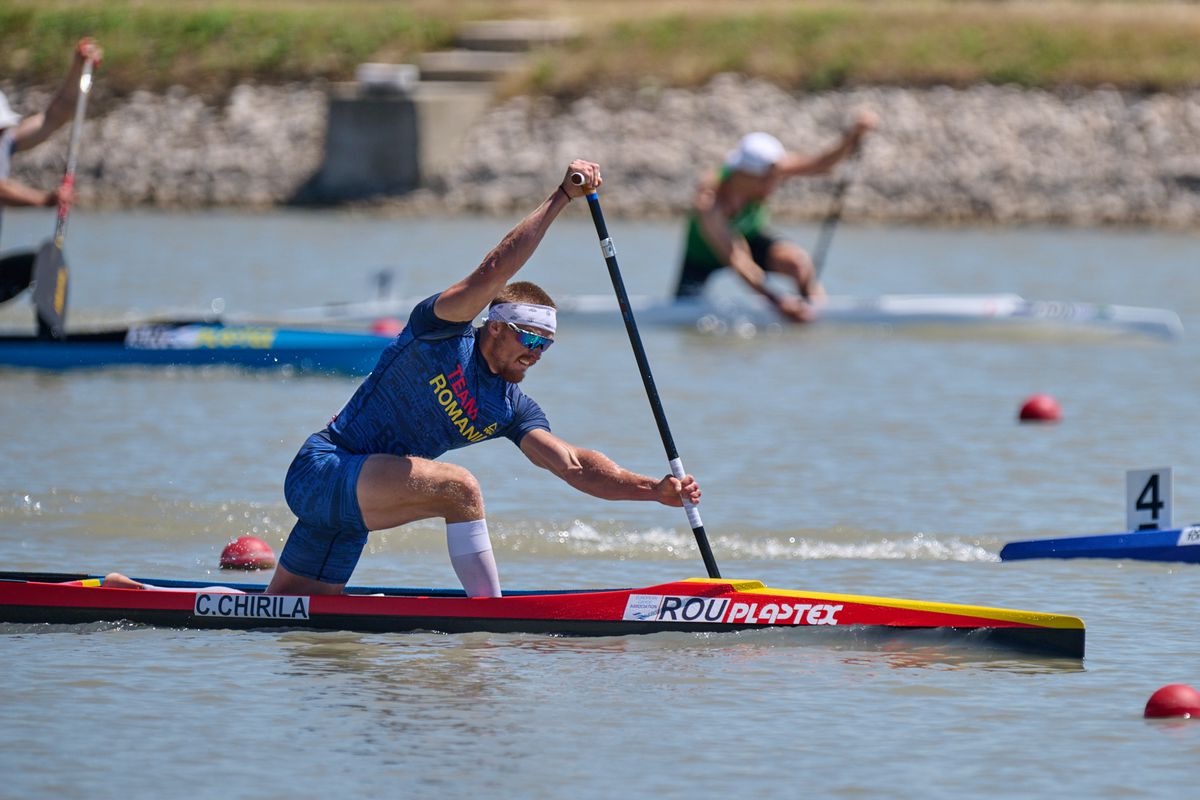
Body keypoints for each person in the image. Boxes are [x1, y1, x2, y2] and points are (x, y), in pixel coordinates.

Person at [267, 159, 702, 598]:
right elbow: (493, 270)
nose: (536, 353)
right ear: (495, 325)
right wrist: (561, 199)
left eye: (545, 345)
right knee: (460, 487)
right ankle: (489, 613)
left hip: (354, 509)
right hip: (324, 470)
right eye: (530, 338)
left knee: (295, 620)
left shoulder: (510, 407)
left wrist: (655, 490)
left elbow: (573, 466)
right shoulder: (439, 332)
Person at [676, 110, 877, 322]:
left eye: (775, 179)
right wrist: (777, 301)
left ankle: (816, 313)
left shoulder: (767, 168)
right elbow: (738, 260)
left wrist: (853, 136)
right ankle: (794, 312)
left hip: (751, 237)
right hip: (703, 255)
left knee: (799, 264)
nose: (771, 187)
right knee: (682, 309)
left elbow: (821, 164)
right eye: (764, 181)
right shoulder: (711, 200)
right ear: (743, 173)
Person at [0, 37, 102, 247]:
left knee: (28, 269)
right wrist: (45, 199)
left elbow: (54, 116)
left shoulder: (5, 140)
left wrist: (78, 68)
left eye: (2, 129)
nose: (2, 134)